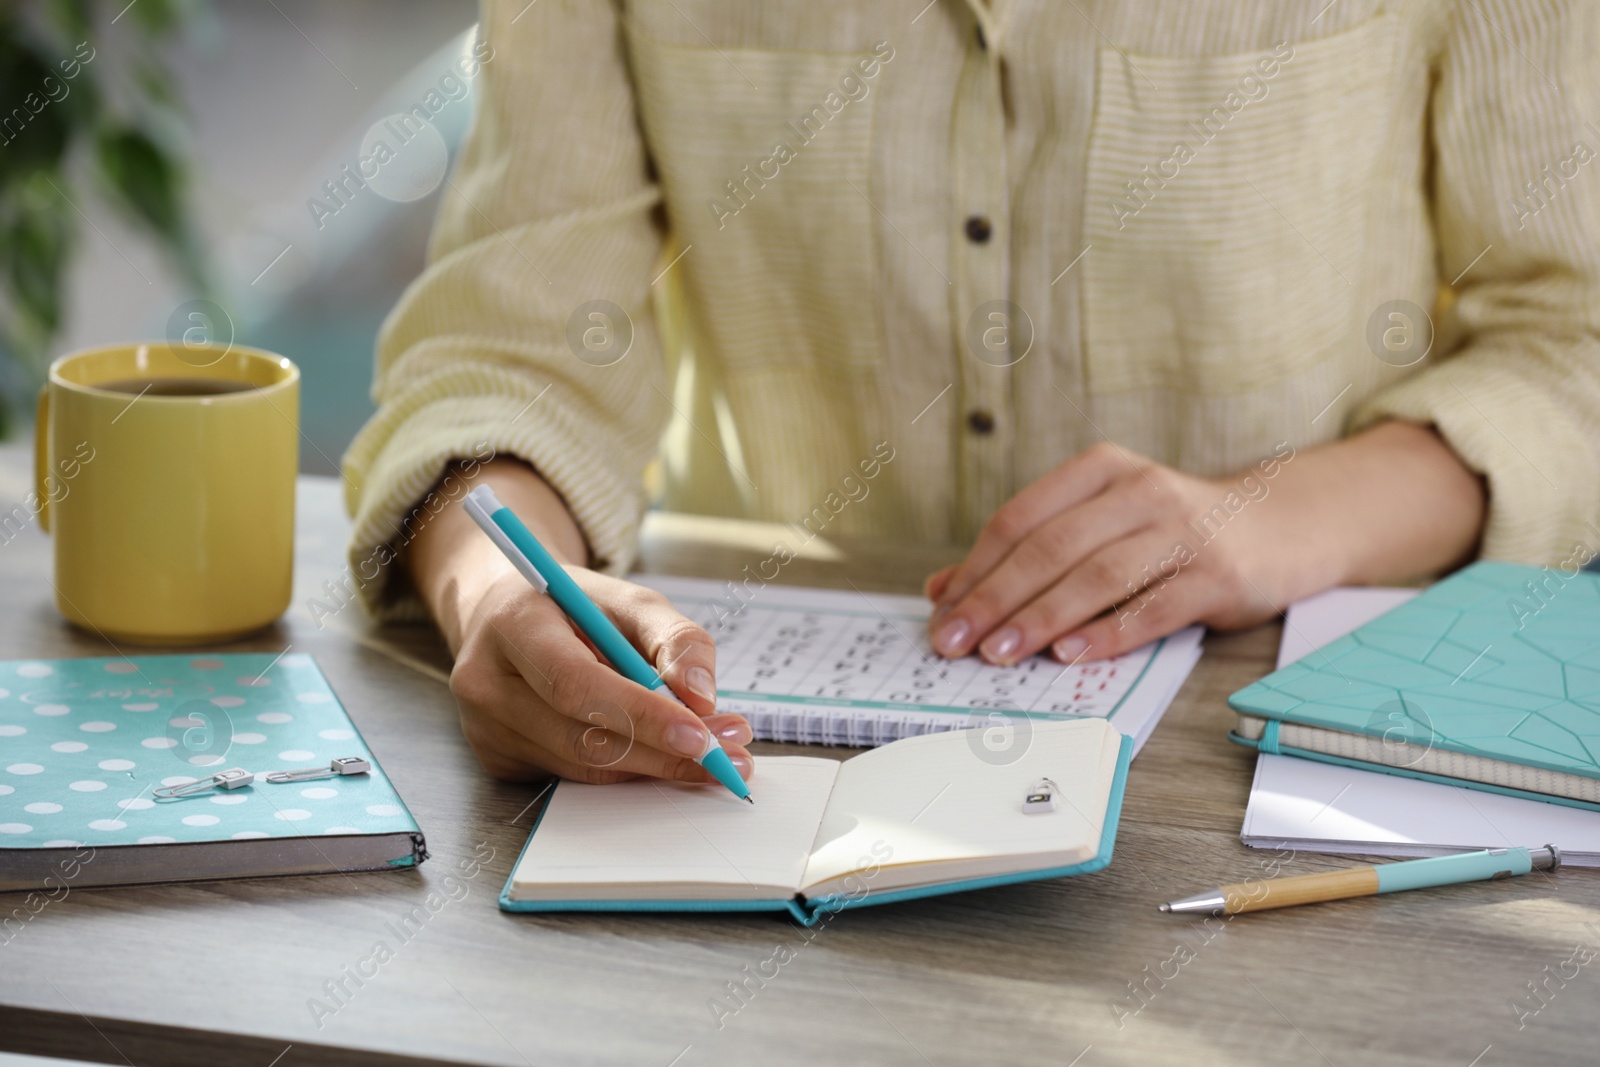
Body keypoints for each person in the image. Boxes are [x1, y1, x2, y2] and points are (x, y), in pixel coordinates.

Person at [343, 1, 1600, 784]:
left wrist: (1281, 515)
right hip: (755, 752)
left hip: (1278, 738)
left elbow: (1575, 330)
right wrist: (497, 591)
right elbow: (504, 356)